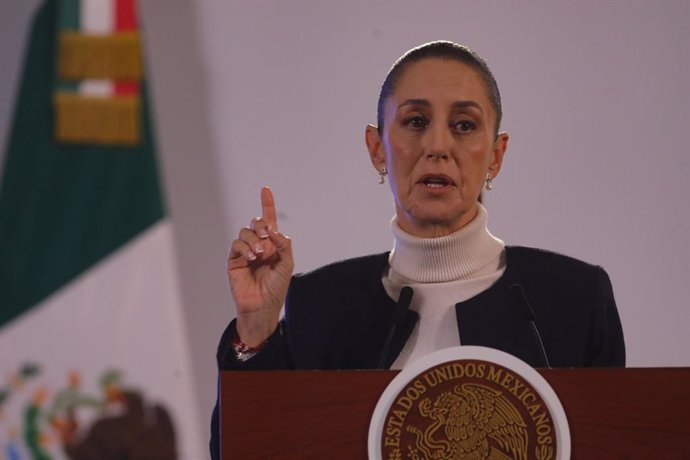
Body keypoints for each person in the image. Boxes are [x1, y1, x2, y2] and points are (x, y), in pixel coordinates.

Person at [209, 41, 625, 457]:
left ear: (496, 156)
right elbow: (247, 449)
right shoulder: (324, 306)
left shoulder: (573, 299)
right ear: (377, 149)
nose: (438, 146)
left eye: (463, 125)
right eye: (415, 121)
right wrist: (257, 328)